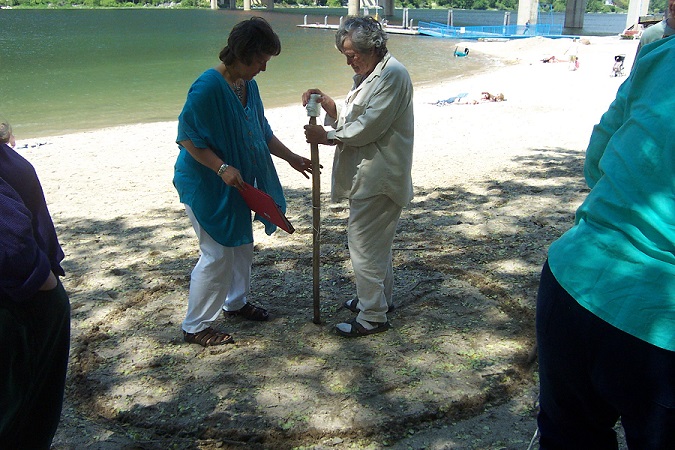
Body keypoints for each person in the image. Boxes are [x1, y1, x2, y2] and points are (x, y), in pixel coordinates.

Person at [535, 36, 675, 448]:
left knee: (567, 436)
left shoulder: (661, 55)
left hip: (575, 280)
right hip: (655, 323)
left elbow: (597, 160)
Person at [174, 17, 312, 347]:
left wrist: (291, 157)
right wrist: (221, 167)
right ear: (245, 54)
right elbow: (187, 139)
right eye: (262, 60)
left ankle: (235, 303)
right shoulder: (207, 87)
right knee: (217, 254)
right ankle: (195, 326)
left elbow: (260, 132)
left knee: (241, 247)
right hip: (206, 185)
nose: (264, 68)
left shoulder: (248, 85)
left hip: (237, 185)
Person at [302, 16, 414, 338]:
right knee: (377, 246)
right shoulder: (368, 76)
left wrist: (326, 136)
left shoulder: (393, 75)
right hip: (369, 176)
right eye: (345, 55)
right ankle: (380, 301)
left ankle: (373, 316)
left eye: (352, 54)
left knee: (363, 245)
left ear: (373, 48)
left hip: (379, 177)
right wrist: (331, 107)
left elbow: (369, 127)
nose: (349, 61)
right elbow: (355, 118)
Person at [0, 118, 71, 449]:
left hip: (24, 298)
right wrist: (38, 279)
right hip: (21, 306)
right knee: (23, 420)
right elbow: (11, 244)